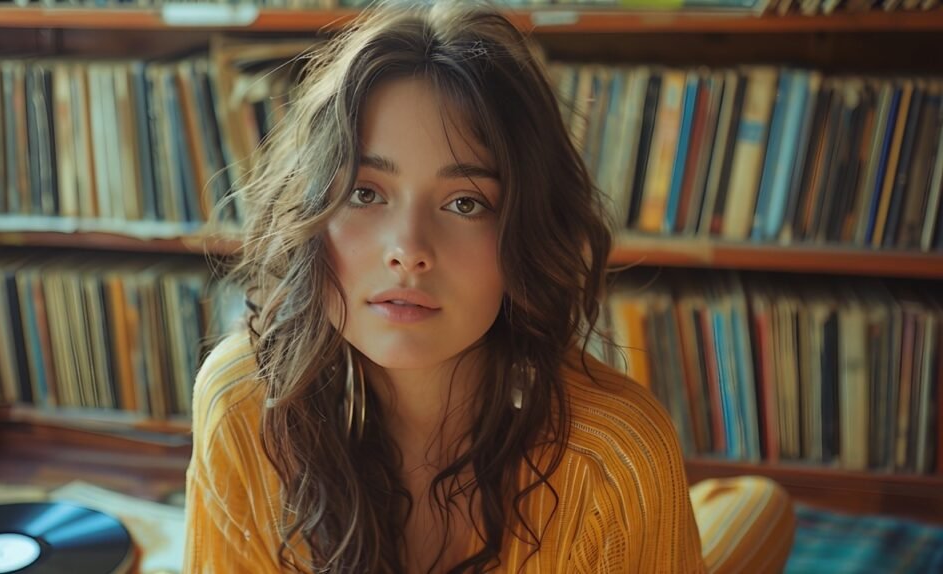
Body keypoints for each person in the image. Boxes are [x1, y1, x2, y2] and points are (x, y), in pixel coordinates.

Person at [184, 1, 795, 572]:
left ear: (525, 235)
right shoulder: (246, 401)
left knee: (761, 508)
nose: (409, 251)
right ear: (310, 210)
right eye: (365, 192)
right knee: (753, 509)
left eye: (465, 202)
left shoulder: (617, 453)